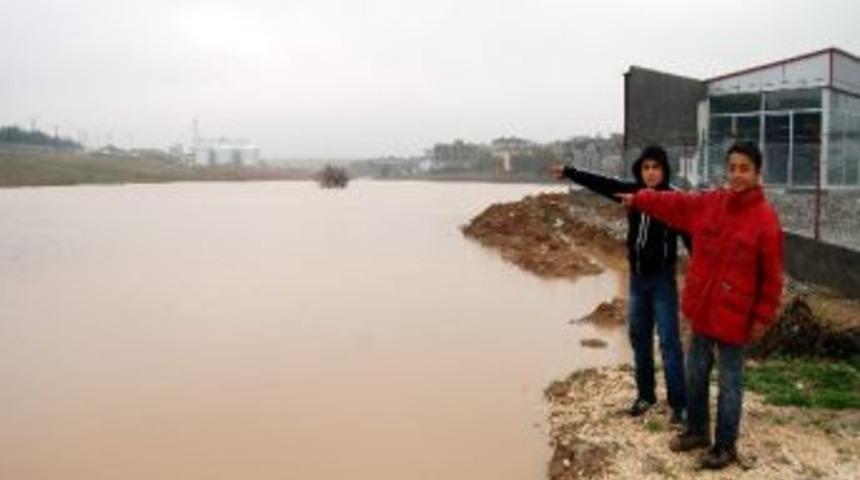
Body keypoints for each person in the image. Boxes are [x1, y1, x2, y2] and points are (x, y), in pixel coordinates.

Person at [616, 142, 784, 470]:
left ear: (757, 174)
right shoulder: (711, 203)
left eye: (744, 168)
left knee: (730, 384)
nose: (736, 174)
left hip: (736, 318)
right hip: (704, 311)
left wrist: (762, 318)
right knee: (695, 374)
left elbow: (772, 277)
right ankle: (696, 430)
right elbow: (675, 203)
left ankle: (724, 446)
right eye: (732, 167)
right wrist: (640, 198)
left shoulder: (765, 220)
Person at [552, 145, 690, 425]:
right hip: (637, 280)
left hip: (663, 281)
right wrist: (570, 173)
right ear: (640, 171)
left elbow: (691, 236)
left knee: (669, 342)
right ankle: (646, 396)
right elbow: (602, 184)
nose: (650, 173)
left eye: (656, 167)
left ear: (664, 170)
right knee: (639, 338)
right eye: (646, 167)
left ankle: (680, 404)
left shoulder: (675, 200)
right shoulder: (632, 194)